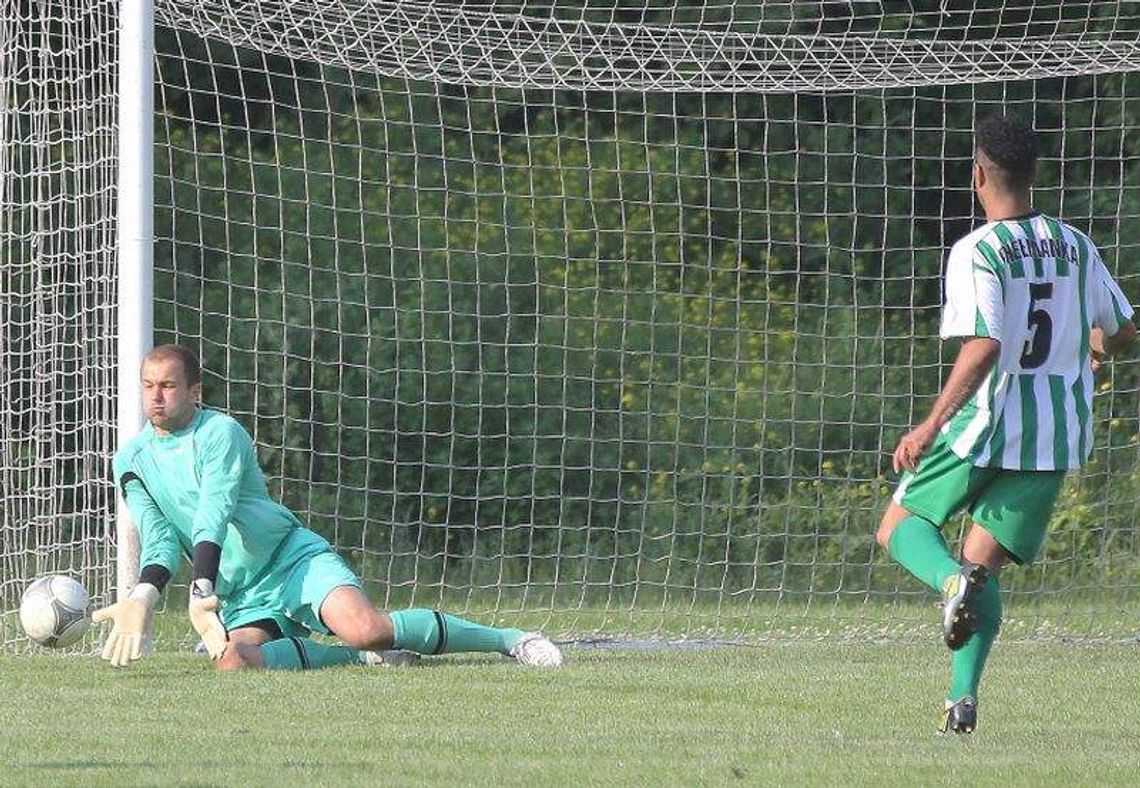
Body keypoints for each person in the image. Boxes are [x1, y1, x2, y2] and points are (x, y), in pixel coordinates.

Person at [875, 114, 1135, 734]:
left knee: (900, 527)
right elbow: (1124, 329)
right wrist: (1093, 349)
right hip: (1054, 435)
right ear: (1034, 173)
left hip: (986, 423)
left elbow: (986, 344)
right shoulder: (1076, 244)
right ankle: (960, 700)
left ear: (978, 175)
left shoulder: (979, 249)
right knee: (982, 567)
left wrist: (929, 425)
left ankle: (948, 583)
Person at [93, 344, 563, 671]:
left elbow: (212, 512)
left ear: (195, 391)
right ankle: (361, 660)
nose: (156, 396)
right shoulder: (131, 460)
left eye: (168, 385)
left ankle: (511, 640)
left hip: (289, 560)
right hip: (241, 592)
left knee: (367, 628)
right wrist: (143, 597)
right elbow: (159, 537)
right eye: (148, 385)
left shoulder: (220, 433)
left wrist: (200, 588)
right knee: (234, 661)